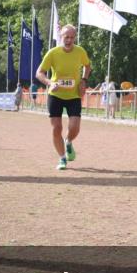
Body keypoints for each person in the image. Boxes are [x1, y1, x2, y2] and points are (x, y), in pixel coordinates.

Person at [35, 24, 90, 170]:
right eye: (66, 37)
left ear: (75, 38)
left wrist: (83, 81)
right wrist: (49, 82)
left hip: (74, 95)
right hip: (55, 95)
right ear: (61, 37)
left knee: (74, 127)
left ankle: (69, 141)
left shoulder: (80, 51)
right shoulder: (53, 53)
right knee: (56, 128)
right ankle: (62, 158)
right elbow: (39, 72)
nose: (69, 40)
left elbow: (88, 65)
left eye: (72, 37)